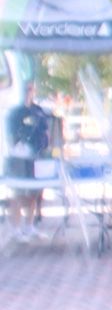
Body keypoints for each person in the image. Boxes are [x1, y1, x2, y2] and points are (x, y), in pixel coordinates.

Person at [5, 80, 50, 229]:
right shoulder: (15, 112)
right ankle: (15, 227)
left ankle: (29, 225)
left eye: (31, 89)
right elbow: (11, 136)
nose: (29, 92)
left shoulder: (39, 111)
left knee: (34, 193)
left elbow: (45, 130)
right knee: (18, 193)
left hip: (36, 156)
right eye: (26, 89)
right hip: (19, 158)